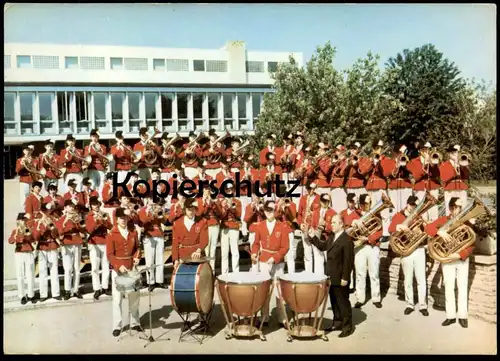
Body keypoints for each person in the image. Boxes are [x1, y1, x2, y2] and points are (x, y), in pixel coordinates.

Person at [424, 197, 475, 328]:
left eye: (460, 207)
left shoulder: (466, 222)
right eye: (458, 207)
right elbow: (427, 228)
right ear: (451, 208)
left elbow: (472, 243)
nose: (460, 209)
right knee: (448, 286)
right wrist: (439, 232)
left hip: (461, 258)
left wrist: (459, 254)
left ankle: (463, 316)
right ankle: (451, 316)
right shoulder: (444, 220)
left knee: (463, 286)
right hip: (446, 258)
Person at [309, 214, 355, 338]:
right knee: (334, 301)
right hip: (331, 275)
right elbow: (322, 246)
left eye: (334, 223)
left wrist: (345, 278)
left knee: (343, 302)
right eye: (331, 223)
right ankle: (337, 322)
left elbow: (348, 261)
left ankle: (347, 327)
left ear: (341, 224)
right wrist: (312, 235)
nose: (331, 225)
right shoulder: (332, 237)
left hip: (340, 278)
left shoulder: (347, 240)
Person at [250, 200, 289, 328]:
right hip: (264, 260)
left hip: (277, 261)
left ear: (276, 211)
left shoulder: (283, 226)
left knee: (279, 291)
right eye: (267, 210)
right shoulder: (260, 225)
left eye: (271, 210)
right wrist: (254, 253)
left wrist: (275, 257)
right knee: (264, 290)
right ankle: (264, 317)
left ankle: (282, 318)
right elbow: (256, 243)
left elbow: (285, 247)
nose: (268, 212)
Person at [388, 195, 429, 316]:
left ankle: (423, 306)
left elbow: (427, 231)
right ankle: (410, 304)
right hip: (406, 250)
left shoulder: (419, 216)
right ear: (408, 205)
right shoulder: (399, 216)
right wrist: (399, 226)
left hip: (419, 249)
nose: (415, 208)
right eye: (413, 205)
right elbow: (390, 228)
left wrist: (425, 225)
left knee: (421, 279)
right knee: (408, 280)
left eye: (416, 206)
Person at [106, 207, 142, 337]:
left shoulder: (133, 232)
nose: (123, 220)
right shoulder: (111, 234)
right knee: (117, 299)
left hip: (132, 268)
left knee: (134, 297)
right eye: (121, 218)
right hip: (118, 270)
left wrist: (138, 257)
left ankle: (135, 322)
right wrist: (117, 266)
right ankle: (117, 325)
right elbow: (109, 255)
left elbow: (138, 248)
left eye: (125, 218)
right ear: (116, 219)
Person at [352, 194, 383, 309]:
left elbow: (380, 231)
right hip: (360, 247)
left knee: (374, 273)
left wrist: (368, 238)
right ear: (361, 204)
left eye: (370, 202)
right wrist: (354, 223)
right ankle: (360, 298)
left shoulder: (376, 213)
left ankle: (376, 298)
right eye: (366, 203)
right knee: (360, 274)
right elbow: (348, 228)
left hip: (373, 246)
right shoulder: (355, 214)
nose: (369, 205)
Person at [56, 200, 86, 300]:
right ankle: (67, 290)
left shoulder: (77, 218)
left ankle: (76, 289)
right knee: (68, 268)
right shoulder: (61, 219)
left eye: (72, 206)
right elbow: (59, 232)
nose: (72, 208)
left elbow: (82, 230)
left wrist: (78, 223)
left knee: (77, 268)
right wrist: (65, 221)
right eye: (69, 206)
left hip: (77, 243)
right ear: (65, 208)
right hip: (67, 244)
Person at [138, 194, 168, 291]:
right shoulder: (143, 210)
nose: (152, 202)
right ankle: (150, 282)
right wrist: (150, 215)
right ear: (147, 199)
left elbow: (164, 221)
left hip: (159, 234)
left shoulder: (158, 208)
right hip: (149, 236)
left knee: (159, 259)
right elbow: (142, 222)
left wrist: (161, 214)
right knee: (149, 260)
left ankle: (160, 281)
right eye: (151, 199)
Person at [86, 197, 113, 300]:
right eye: (93, 204)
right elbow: (89, 230)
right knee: (95, 267)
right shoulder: (89, 216)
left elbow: (110, 226)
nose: (96, 206)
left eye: (97, 204)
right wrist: (96, 221)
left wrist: (103, 220)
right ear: (91, 206)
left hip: (105, 240)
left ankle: (105, 287)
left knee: (106, 265)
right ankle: (97, 288)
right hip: (94, 242)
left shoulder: (104, 214)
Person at [33, 204, 61, 302]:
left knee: (54, 270)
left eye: (46, 212)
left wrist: (51, 228)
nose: (45, 214)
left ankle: (56, 293)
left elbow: (56, 235)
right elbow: (35, 237)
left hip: (52, 246)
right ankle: (43, 294)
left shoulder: (52, 221)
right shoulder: (37, 223)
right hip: (42, 248)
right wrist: (40, 226)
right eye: (43, 212)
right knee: (42, 271)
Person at [9, 213, 37, 305]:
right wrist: (17, 233)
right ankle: (22, 296)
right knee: (20, 276)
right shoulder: (15, 230)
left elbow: (33, 239)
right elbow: (11, 241)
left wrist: (28, 233)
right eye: (22, 220)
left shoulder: (29, 229)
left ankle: (31, 295)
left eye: (24, 220)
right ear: (18, 221)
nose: (23, 221)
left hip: (28, 253)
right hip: (19, 253)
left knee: (30, 275)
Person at [171, 198, 209, 265]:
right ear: (185, 210)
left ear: (196, 210)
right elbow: (175, 242)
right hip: (183, 256)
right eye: (188, 210)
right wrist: (175, 259)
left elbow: (204, 239)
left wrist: (199, 250)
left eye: (193, 210)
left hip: (198, 255)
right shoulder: (177, 223)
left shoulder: (202, 221)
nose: (191, 212)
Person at [439, 145, 469, 215]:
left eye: (456, 152)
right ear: (449, 153)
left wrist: (462, 166)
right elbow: (444, 177)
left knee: (463, 209)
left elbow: (466, 176)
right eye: (452, 152)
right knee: (449, 210)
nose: (454, 154)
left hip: (461, 189)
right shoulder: (444, 165)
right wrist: (455, 168)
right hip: (450, 190)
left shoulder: (463, 163)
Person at [219, 183, 242, 274]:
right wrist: (225, 207)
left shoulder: (237, 201)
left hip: (234, 227)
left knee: (235, 251)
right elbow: (220, 216)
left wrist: (232, 208)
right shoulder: (221, 202)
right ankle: (224, 273)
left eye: (231, 189)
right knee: (224, 252)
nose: (229, 191)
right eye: (227, 190)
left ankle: (236, 272)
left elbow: (238, 215)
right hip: (224, 227)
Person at [84, 128, 108, 196]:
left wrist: (98, 149)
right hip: (92, 169)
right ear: (90, 137)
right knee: (92, 185)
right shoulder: (87, 147)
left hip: (101, 168)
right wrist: (90, 148)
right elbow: (86, 157)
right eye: (93, 136)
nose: (95, 138)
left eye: (96, 136)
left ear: (98, 137)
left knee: (102, 186)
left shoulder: (102, 147)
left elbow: (104, 157)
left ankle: (101, 200)